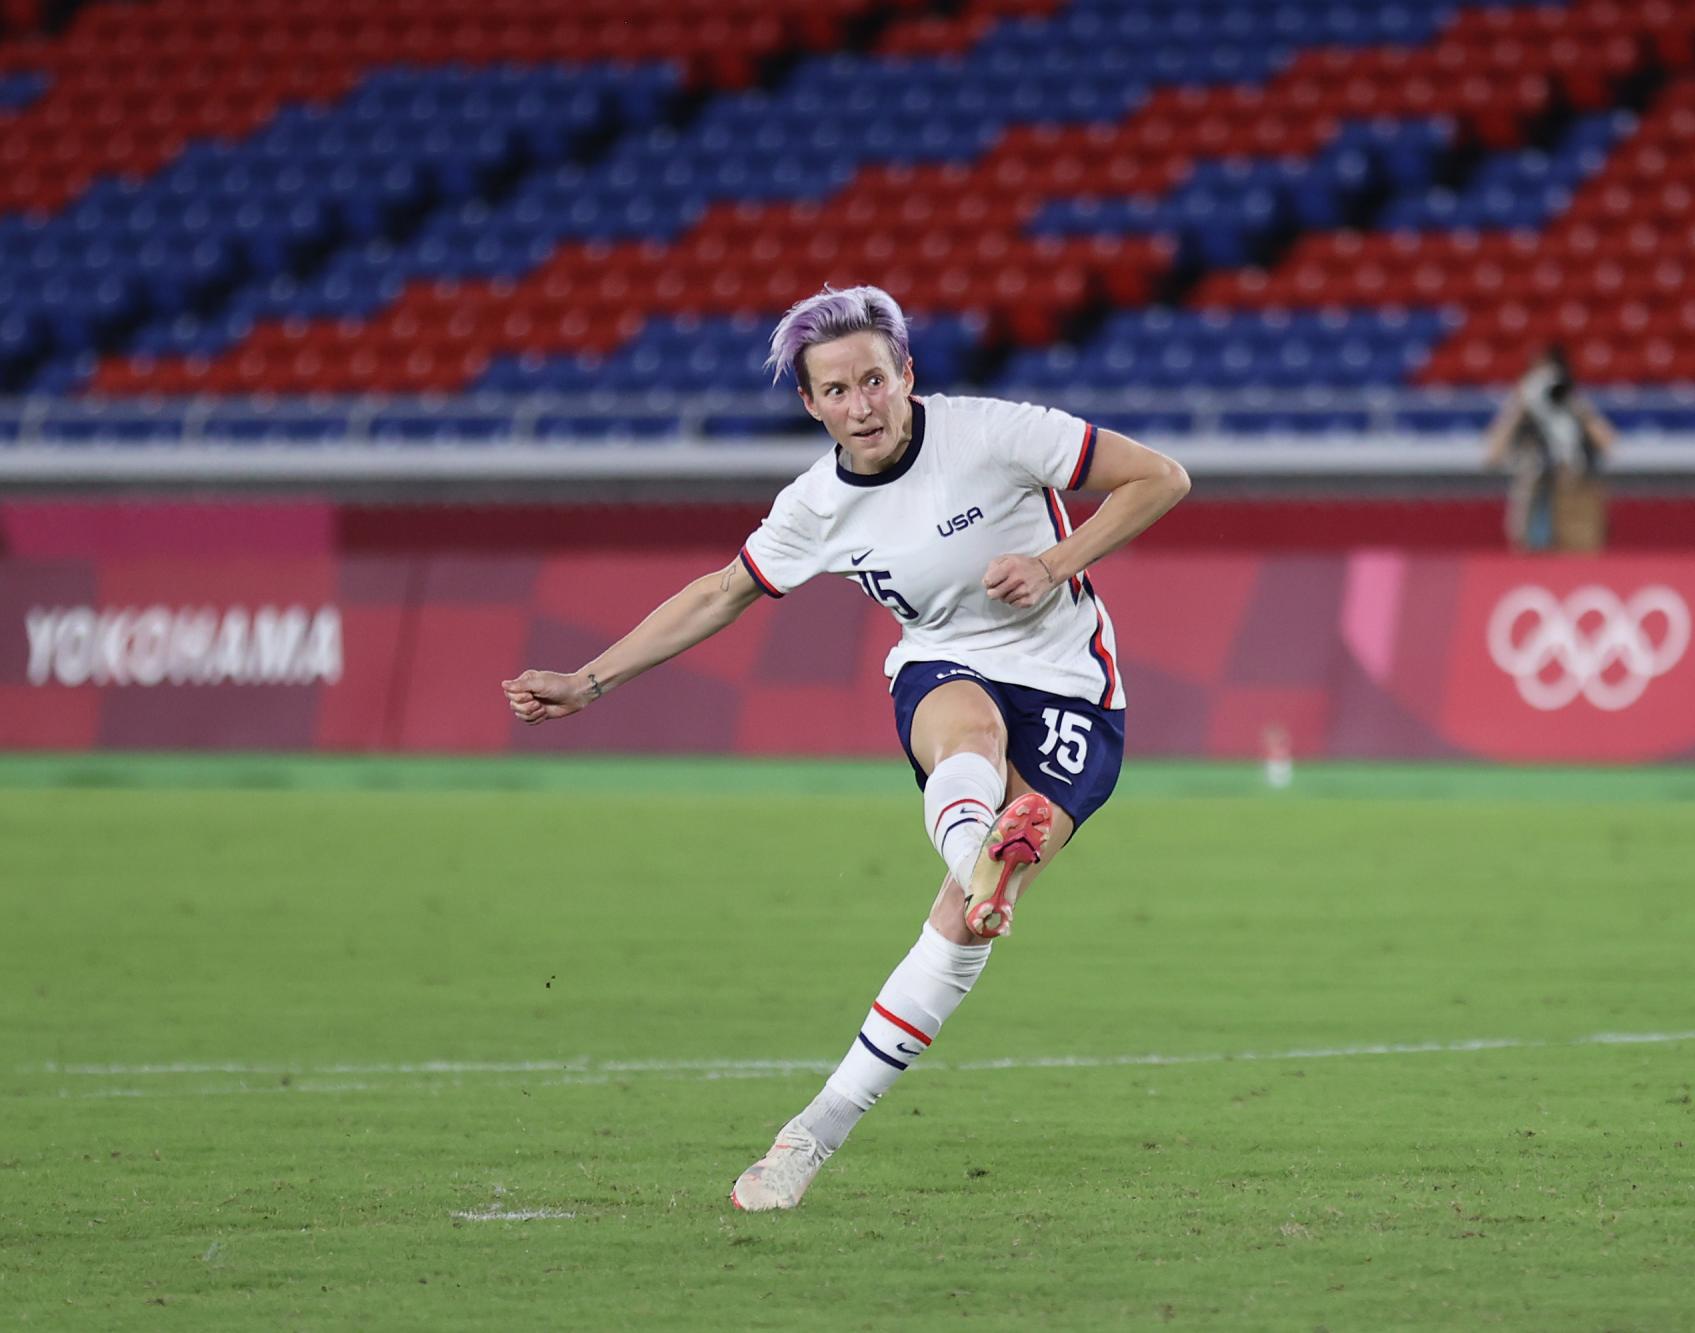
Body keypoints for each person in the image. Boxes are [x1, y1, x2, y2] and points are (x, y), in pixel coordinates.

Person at [500, 285, 1190, 1211]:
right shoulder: (816, 504)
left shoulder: (993, 432)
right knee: (968, 736)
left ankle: (976, 880)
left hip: (1073, 684)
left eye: (875, 379)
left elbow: (1162, 477)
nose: (861, 405)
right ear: (810, 404)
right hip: (945, 662)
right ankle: (809, 1136)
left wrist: (1055, 563)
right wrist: (588, 681)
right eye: (837, 390)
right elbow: (719, 593)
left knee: (958, 918)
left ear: (907, 375)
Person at [1481, 343, 1616, 553]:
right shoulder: (1523, 414)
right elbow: (1492, 456)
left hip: (1575, 503)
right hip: (1534, 503)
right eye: (1539, 376)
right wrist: (1518, 407)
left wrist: (1574, 405)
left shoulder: (1574, 407)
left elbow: (1608, 445)